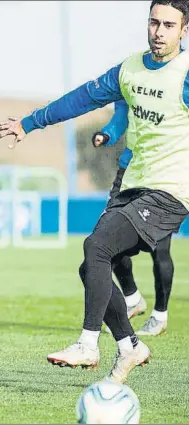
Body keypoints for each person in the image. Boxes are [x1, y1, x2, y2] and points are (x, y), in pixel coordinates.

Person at [0, 0, 188, 383]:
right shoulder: (129, 69)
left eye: (169, 25)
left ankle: (88, 343)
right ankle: (131, 345)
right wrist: (31, 123)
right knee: (92, 266)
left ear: (184, 31)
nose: (159, 32)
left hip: (171, 190)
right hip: (133, 182)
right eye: (153, 22)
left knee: (96, 247)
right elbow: (82, 98)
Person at [93, 101, 174, 337]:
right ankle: (132, 297)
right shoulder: (131, 77)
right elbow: (121, 116)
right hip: (127, 171)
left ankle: (160, 315)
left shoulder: (177, 84)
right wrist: (106, 134)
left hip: (161, 174)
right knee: (105, 241)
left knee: (160, 249)